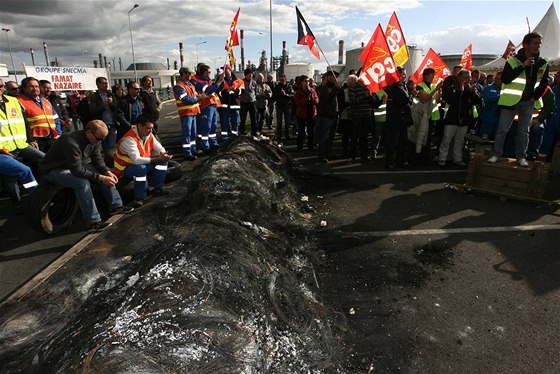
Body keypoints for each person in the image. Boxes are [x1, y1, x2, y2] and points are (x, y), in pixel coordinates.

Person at [40, 119, 133, 232]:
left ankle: (116, 206)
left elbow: (97, 159)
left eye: (103, 139)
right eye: (98, 138)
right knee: (82, 183)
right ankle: (93, 222)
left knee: (103, 174)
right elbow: (77, 171)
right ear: (88, 132)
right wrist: (102, 178)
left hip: (74, 165)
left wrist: (106, 172)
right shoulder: (70, 142)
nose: (100, 141)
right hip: (54, 170)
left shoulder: (95, 140)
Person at [488, 32, 550, 167]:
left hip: (529, 102)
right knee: (502, 130)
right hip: (510, 101)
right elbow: (505, 79)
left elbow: (545, 82)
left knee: (524, 131)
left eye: (539, 43)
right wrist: (522, 66)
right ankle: (496, 154)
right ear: (525, 45)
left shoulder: (543, 62)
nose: (538, 46)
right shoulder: (512, 60)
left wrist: (535, 97)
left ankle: (521, 157)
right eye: (535, 43)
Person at [114, 116, 171, 207]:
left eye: (151, 128)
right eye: (148, 128)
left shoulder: (148, 134)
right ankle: (139, 198)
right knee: (141, 168)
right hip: (124, 169)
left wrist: (164, 154)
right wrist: (158, 159)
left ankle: (155, 188)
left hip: (141, 163)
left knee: (163, 162)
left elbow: (158, 146)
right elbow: (137, 160)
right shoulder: (129, 139)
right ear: (139, 126)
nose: (150, 131)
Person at [0, 80, 40, 205]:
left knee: (46, 159)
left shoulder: (13, 101)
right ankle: (18, 204)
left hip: (21, 144)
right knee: (10, 179)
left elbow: (24, 121)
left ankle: (42, 195)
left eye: (0, 85)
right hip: (4, 149)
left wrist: (30, 139)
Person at [438, 69, 481, 167]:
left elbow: (477, 102)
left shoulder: (471, 89)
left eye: (469, 78)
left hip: (464, 119)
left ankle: (457, 158)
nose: (468, 80)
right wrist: (460, 91)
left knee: (460, 141)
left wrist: (473, 92)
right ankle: (442, 158)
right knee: (447, 139)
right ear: (459, 78)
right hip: (452, 118)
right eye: (466, 78)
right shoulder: (452, 87)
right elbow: (449, 100)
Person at [17, 77, 62, 152]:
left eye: (37, 86)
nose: (35, 89)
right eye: (31, 86)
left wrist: (58, 133)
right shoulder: (19, 101)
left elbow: (55, 118)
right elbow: (20, 123)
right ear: (24, 88)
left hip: (52, 138)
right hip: (35, 141)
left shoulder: (45, 101)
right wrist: (30, 139)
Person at [410, 68, 442, 161]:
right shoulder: (420, 86)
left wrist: (438, 90)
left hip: (432, 115)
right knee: (420, 135)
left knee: (428, 137)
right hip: (422, 115)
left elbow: (437, 100)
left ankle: (425, 157)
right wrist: (435, 89)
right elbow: (424, 99)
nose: (434, 77)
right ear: (427, 75)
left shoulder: (433, 86)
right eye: (432, 74)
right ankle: (416, 156)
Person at [89, 77, 122, 165]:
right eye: (103, 83)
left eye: (106, 83)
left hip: (111, 124)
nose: (106, 85)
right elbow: (92, 110)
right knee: (101, 146)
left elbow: (117, 108)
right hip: (100, 126)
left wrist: (111, 103)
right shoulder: (94, 97)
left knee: (111, 146)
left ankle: (110, 164)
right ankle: (102, 164)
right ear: (98, 84)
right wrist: (103, 105)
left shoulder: (110, 94)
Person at [191, 64, 224, 152]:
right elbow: (208, 90)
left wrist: (221, 81)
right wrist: (218, 83)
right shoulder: (198, 82)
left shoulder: (208, 81)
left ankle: (213, 143)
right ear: (205, 72)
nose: (210, 74)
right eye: (209, 72)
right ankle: (205, 146)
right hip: (205, 106)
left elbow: (215, 89)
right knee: (206, 126)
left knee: (213, 126)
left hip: (212, 105)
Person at [385, 67, 413, 169]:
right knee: (393, 142)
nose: (405, 76)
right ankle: (390, 162)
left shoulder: (402, 86)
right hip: (396, 119)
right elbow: (405, 100)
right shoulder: (396, 87)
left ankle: (400, 161)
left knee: (402, 142)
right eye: (403, 74)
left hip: (401, 119)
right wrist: (410, 95)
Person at [174, 67, 202, 160]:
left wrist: (199, 97)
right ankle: (187, 153)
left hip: (193, 112)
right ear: (183, 74)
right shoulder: (179, 86)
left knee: (193, 133)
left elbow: (194, 96)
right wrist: (198, 98)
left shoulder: (190, 85)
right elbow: (185, 99)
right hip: (186, 114)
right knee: (187, 133)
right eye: (189, 73)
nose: (191, 75)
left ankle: (192, 149)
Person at [315, 71, 340, 163]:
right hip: (325, 116)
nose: (335, 79)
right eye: (333, 77)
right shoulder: (320, 88)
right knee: (324, 137)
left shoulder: (332, 87)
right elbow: (326, 97)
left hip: (333, 114)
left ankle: (328, 152)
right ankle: (322, 155)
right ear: (327, 77)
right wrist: (335, 89)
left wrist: (338, 88)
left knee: (331, 137)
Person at [527, 79, 555, 160]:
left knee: (537, 129)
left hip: (536, 119)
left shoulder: (546, 90)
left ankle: (532, 154)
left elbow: (549, 108)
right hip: (521, 118)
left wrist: (539, 119)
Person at [217, 64, 244, 141]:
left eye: (226, 69)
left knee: (235, 122)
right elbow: (218, 92)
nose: (225, 71)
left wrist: (234, 90)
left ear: (230, 70)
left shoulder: (239, 81)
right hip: (224, 106)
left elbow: (242, 91)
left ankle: (234, 137)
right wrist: (226, 91)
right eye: (224, 69)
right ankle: (224, 138)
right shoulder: (221, 81)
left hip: (234, 106)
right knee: (224, 123)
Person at [294, 75, 319, 151]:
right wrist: (307, 100)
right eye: (305, 81)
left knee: (311, 131)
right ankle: (300, 147)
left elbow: (317, 100)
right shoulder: (298, 92)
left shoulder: (312, 90)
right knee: (301, 131)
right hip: (302, 113)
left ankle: (310, 146)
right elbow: (298, 103)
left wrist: (313, 100)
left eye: (308, 81)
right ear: (301, 82)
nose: (307, 82)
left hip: (311, 112)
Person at [479, 72, 503, 139]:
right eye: (496, 78)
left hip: (500, 117)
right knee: (484, 137)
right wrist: (499, 97)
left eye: (499, 79)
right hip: (488, 116)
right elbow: (487, 99)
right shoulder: (489, 88)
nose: (497, 80)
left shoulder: (504, 89)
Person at [273, 73, 294, 145]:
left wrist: (285, 94)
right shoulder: (277, 87)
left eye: (283, 79)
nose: (281, 81)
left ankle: (287, 135)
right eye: (280, 79)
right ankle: (279, 136)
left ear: (285, 79)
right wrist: (280, 94)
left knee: (287, 121)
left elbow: (292, 96)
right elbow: (274, 96)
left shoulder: (289, 86)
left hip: (287, 106)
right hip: (279, 106)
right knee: (279, 122)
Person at [239, 68, 258, 137]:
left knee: (253, 118)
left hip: (252, 102)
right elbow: (239, 92)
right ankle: (241, 131)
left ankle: (254, 131)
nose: (250, 75)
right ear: (245, 75)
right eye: (249, 74)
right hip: (244, 102)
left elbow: (255, 92)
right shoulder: (241, 82)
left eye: (251, 74)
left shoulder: (254, 82)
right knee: (243, 118)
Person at [255, 73, 272, 137]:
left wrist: (268, 94)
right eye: (260, 78)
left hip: (264, 104)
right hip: (258, 105)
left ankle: (261, 129)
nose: (261, 79)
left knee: (263, 118)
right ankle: (257, 129)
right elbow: (255, 94)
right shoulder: (256, 86)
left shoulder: (266, 86)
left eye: (262, 78)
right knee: (257, 118)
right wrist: (261, 95)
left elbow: (271, 93)